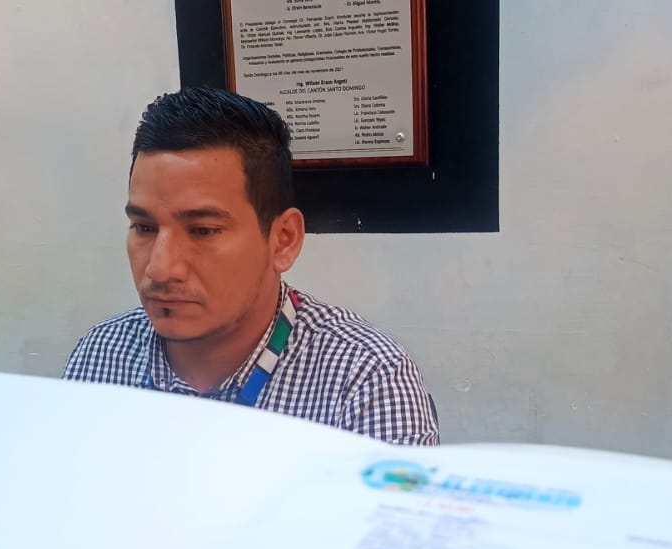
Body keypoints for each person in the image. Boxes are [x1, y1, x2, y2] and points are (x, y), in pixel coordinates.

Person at [64, 87, 439, 445]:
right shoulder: (102, 355)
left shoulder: (365, 380)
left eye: (203, 230)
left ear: (283, 240)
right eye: (144, 228)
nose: (160, 269)